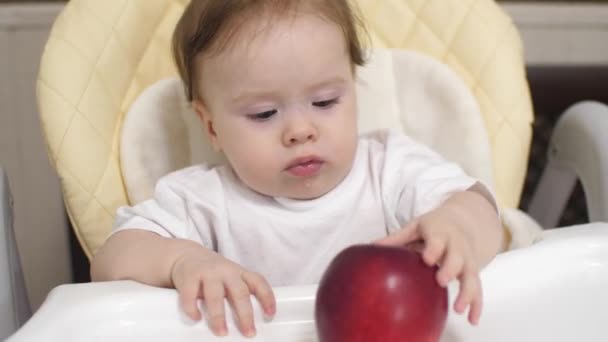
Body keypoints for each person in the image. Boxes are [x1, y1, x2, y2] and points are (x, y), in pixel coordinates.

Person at [91, 0, 504, 338]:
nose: (300, 130)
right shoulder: (202, 200)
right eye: (264, 113)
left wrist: (457, 227)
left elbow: (481, 207)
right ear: (211, 125)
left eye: (325, 102)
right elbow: (112, 259)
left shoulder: (390, 168)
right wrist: (183, 260)